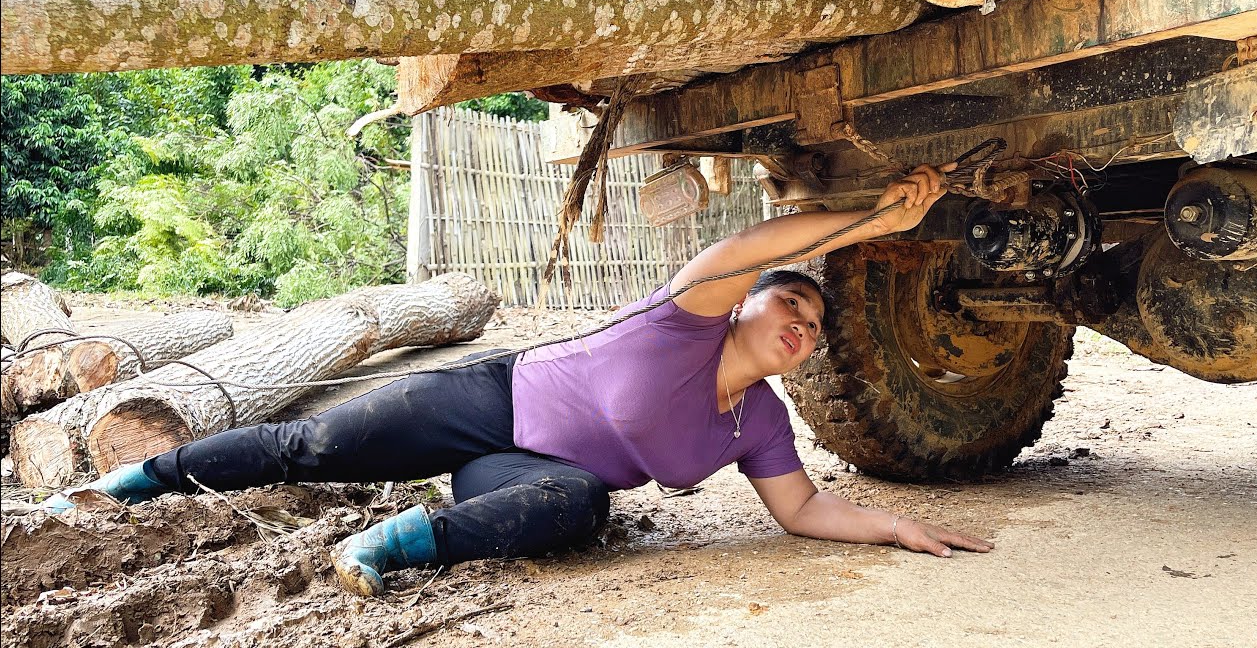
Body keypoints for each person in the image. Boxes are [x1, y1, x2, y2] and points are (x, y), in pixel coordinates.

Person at [43, 162, 992, 596]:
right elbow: (750, 244)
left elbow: (803, 511)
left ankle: (397, 545)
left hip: (522, 473)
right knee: (317, 444)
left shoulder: (759, 425)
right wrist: (869, 224)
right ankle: (139, 477)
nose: (804, 326)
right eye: (793, 305)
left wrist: (896, 526)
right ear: (748, 304)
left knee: (578, 508)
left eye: (817, 326)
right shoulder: (687, 314)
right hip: (490, 399)